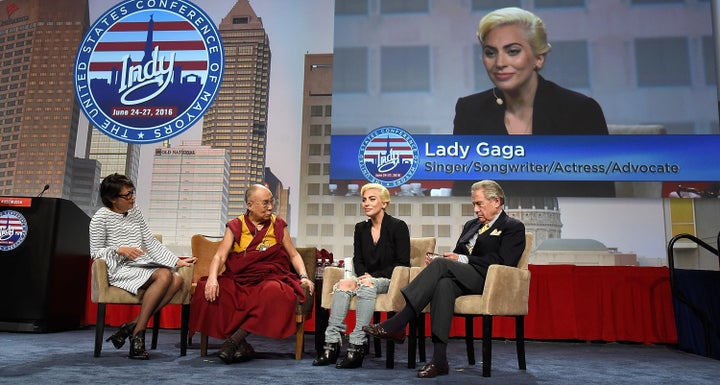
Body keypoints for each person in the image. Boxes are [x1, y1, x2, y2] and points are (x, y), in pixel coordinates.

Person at [363, 180, 525, 378]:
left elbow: (504, 261)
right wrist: (444, 259)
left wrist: (460, 259)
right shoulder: (471, 225)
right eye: (474, 204)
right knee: (443, 284)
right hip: (463, 277)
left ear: (496, 202)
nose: (475, 209)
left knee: (442, 268)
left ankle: (399, 322)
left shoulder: (512, 227)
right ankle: (439, 360)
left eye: (479, 204)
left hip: (489, 281)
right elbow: (458, 254)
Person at [452, 7, 615, 197]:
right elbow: (464, 194)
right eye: (490, 53)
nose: (499, 63)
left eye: (512, 51)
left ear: (539, 58)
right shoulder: (470, 111)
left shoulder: (580, 110)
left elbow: (599, 196)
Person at [188, 184, 315, 364]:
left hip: (269, 277)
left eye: (272, 202)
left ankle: (233, 342)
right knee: (206, 288)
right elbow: (220, 255)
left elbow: (293, 254)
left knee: (275, 292)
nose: (270, 207)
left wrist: (303, 276)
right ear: (249, 205)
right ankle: (242, 346)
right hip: (240, 278)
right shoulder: (236, 225)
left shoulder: (278, 224)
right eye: (265, 203)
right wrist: (213, 278)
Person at [89, 173, 197, 360]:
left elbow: (150, 241)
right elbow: (95, 252)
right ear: (112, 199)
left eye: (133, 192)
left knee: (177, 278)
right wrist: (119, 249)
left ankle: (132, 327)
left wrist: (176, 261)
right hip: (118, 267)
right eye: (127, 195)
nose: (133, 198)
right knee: (164, 275)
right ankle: (138, 334)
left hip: (139, 264)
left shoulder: (135, 211)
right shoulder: (100, 217)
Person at [312, 183, 410, 369]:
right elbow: (359, 259)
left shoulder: (398, 226)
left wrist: (371, 278)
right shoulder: (360, 228)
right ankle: (331, 345)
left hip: (390, 279)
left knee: (368, 285)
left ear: (385, 203)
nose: (366, 203)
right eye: (364, 200)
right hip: (366, 277)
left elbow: (402, 263)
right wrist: (363, 275)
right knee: (344, 285)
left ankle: (357, 345)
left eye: (372, 199)